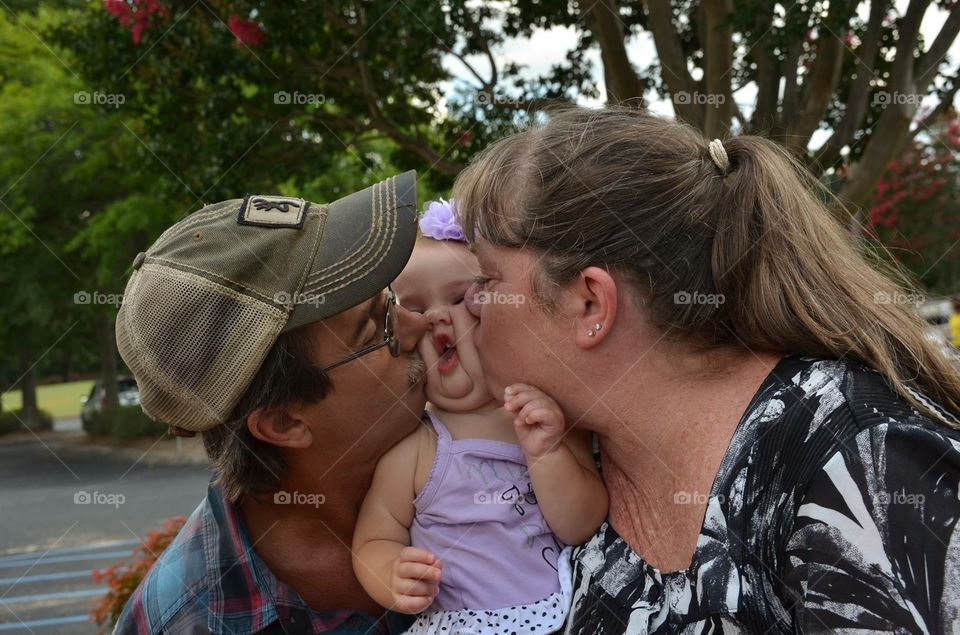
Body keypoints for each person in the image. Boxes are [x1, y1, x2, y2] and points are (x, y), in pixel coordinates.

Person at [452, 106, 960, 633]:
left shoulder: (862, 461)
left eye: (487, 279)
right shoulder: (565, 459)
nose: (470, 304)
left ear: (590, 305)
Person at [112, 173, 430, 634]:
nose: (418, 324)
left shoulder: (493, 453)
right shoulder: (194, 622)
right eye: (379, 328)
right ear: (284, 422)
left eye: (393, 298)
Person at [351, 200, 608, 634]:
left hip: (559, 614)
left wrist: (547, 455)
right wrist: (391, 573)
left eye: (459, 298)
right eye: (413, 309)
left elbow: (581, 524)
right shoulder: (416, 448)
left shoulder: (547, 419)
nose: (434, 319)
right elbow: (373, 539)